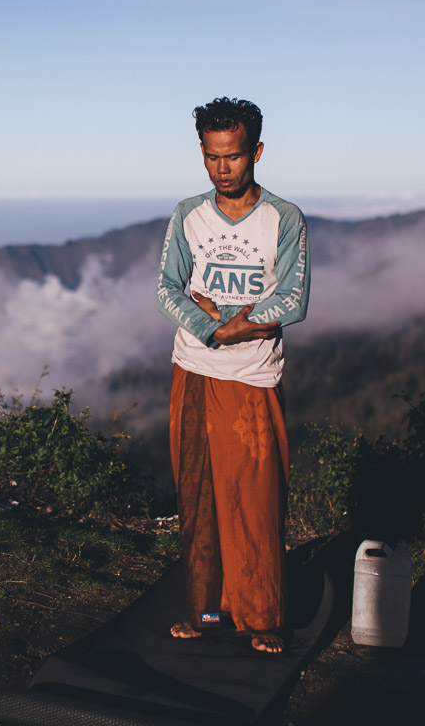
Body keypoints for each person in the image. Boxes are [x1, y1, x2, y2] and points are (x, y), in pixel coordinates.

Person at [155, 96, 309, 653]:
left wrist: (237, 327)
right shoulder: (187, 215)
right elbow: (166, 289)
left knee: (254, 497)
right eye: (214, 156)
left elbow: (293, 298)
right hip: (193, 370)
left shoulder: (284, 218)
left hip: (252, 376)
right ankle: (207, 612)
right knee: (197, 497)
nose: (224, 168)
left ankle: (261, 615)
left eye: (236, 156)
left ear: (257, 152)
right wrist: (209, 326)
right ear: (202, 153)